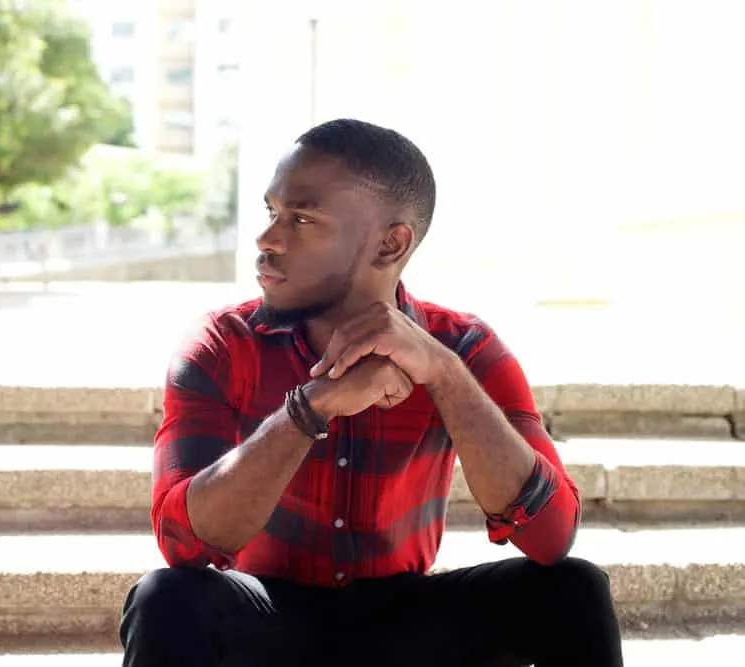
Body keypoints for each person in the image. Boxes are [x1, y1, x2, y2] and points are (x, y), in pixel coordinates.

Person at [119, 119, 623, 667]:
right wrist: (310, 408)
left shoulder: (463, 349)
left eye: (303, 219)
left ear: (391, 243)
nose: (267, 240)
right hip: (270, 619)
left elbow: (551, 537)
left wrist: (445, 377)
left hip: (407, 622)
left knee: (574, 590)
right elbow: (184, 542)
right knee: (165, 599)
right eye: (272, 213)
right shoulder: (221, 344)